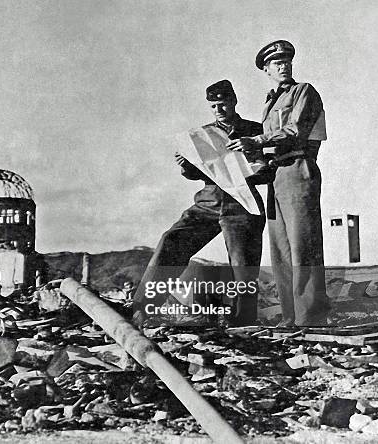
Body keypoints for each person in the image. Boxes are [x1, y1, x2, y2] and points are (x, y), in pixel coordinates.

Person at [133, 80, 265, 327]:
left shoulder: (256, 130)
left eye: (223, 104)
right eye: (214, 106)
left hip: (243, 203)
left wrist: (254, 159)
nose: (219, 110)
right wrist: (186, 167)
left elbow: (268, 170)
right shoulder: (202, 135)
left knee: (243, 265)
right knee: (172, 240)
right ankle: (143, 308)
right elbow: (199, 173)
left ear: (234, 101)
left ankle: (243, 323)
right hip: (209, 200)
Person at [227, 40, 329, 326]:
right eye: (276, 63)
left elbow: (296, 129)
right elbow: (267, 144)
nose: (283, 66)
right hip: (276, 175)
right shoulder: (270, 102)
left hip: (298, 168)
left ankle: (311, 317)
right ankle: (290, 316)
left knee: (303, 245)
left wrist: (257, 139)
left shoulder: (303, 92)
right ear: (266, 70)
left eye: (286, 61)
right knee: (281, 250)